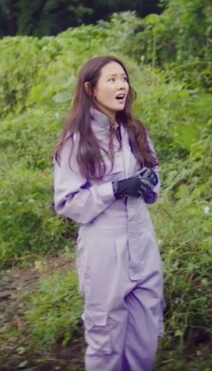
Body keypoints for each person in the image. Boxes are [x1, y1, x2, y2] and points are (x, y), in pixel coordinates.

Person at [53, 55, 163, 371]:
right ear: (90, 89)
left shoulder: (135, 131)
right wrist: (113, 189)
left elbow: (156, 174)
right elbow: (68, 202)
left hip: (143, 239)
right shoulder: (77, 141)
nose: (121, 86)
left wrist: (148, 181)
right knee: (106, 342)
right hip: (104, 246)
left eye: (124, 78)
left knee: (145, 336)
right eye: (112, 79)